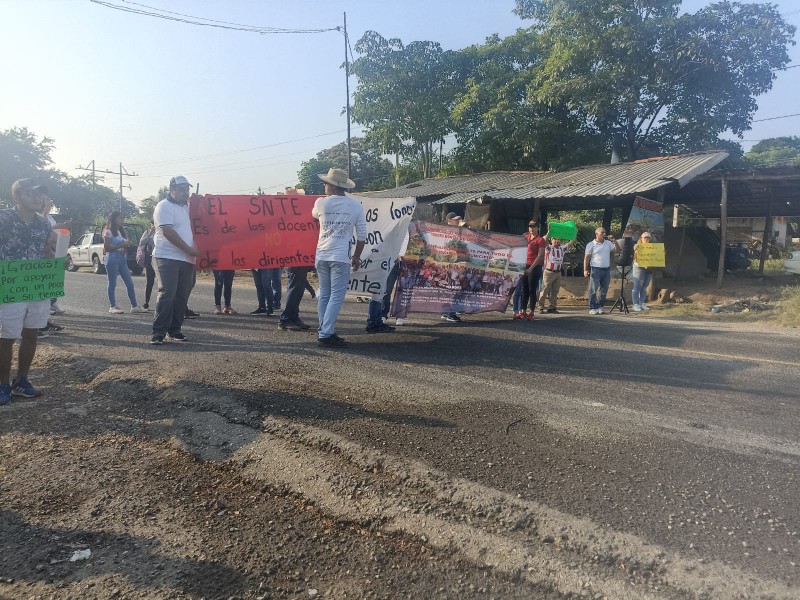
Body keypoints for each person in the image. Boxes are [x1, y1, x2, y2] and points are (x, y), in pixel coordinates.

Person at [0, 179, 53, 404]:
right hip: (10, 285)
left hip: (37, 285)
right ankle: (3, 385)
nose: (36, 198)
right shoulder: (3, 219)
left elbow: (45, 251)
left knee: (31, 333)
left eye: (39, 194)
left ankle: (22, 380)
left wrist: (54, 256)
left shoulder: (44, 224)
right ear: (17, 197)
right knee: (7, 336)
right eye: (30, 193)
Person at [312, 167, 366, 348]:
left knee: (325, 294)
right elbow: (362, 236)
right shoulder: (355, 206)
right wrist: (357, 257)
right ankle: (326, 333)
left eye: (326, 183)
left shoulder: (321, 203)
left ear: (334, 187)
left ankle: (325, 330)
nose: (324, 185)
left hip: (321, 254)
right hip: (340, 256)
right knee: (335, 295)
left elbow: (313, 217)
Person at [150, 175, 200, 345]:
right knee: (167, 292)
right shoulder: (163, 206)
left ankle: (175, 330)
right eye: (181, 189)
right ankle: (158, 332)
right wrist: (189, 250)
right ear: (172, 190)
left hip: (187, 258)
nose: (185, 192)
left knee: (182, 295)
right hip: (167, 257)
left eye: (187, 189)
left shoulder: (190, 207)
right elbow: (168, 232)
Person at [103, 211, 146, 314]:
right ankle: (112, 306)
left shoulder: (121, 231)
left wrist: (126, 244)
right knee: (112, 283)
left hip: (122, 258)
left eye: (123, 218)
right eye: (120, 218)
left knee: (129, 283)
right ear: (114, 219)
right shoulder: (108, 231)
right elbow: (107, 248)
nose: (122, 220)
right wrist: (122, 245)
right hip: (112, 258)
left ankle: (134, 306)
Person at [583, 226, 618, 315]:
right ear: (596, 234)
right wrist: (585, 269)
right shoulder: (591, 244)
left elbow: (616, 251)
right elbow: (586, 258)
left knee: (604, 289)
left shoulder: (608, 243)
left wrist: (615, 241)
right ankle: (592, 307)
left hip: (606, 269)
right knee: (593, 289)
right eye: (602, 232)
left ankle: (600, 306)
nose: (604, 234)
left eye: (605, 232)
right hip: (595, 269)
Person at [517, 220, 546, 320]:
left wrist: (531, 268)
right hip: (524, 265)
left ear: (538, 228)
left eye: (533, 227)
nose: (531, 229)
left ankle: (532, 312)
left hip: (535, 266)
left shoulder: (540, 240)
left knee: (532, 289)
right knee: (524, 289)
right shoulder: (526, 237)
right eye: (530, 227)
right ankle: (523, 311)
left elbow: (540, 256)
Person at [538, 233, 572, 314]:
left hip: (558, 272)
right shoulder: (548, 248)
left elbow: (572, 242)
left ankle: (552, 307)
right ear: (551, 240)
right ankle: (540, 306)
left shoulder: (562, 249)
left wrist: (573, 233)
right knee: (545, 289)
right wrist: (549, 232)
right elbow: (544, 240)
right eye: (555, 239)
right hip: (549, 272)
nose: (557, 241)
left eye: (558, 239)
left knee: (555, 290)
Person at [442, 212, 465, 323]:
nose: (457, 222)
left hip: (455, 264)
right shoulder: (445, 233)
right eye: (455, 220)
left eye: (458, 220)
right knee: (453, 288)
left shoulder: (457, 233)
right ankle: (451, 313)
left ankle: (446, 312)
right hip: (450, 265)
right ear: (449, 221)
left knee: (451, 289)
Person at [631, 231, 653, 312]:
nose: (646, 239)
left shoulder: (653, 247)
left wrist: (661, 253)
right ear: (641, 238)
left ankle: (642, 303)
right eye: (645, 237)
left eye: (648, 237)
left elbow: (656, 257)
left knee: (644, 287)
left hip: (649, 269)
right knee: (637, 286)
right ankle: (635, 304)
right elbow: (635, 254)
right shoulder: (637, 246)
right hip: (639, 268)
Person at [137, 220, 156, 309]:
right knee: (149, 282)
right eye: (153, 224)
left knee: (164, 283)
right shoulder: (148, 232)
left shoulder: (162, 232)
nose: (154, 226)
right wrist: (150, 233)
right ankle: (146, 302)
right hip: (149, 259)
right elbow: (141, 242)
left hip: (160, 259)